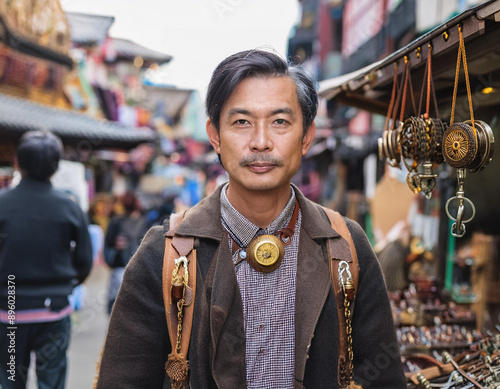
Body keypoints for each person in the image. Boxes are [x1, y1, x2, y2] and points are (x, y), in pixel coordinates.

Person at [96, 49, 406, 388]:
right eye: (242, 122)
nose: (260, 142)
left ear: (306, 136)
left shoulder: (345, 246)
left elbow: (383, 378)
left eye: (280, 122)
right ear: (215, 135)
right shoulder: (164, 254)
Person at [0, 130, 93, 389]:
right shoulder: (69, 207)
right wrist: (67, 286)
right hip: (53, 312)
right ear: (56, 167)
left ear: (18, 163)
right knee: (51, 381)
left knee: (9, 380)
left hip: (8, 313)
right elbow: (84, 259)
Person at [103, 191, 148, 314]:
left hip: (120, 266)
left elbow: (107, 243)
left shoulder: (116, 221)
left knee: (115, 305)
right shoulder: (144, 221)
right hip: (137, 267)